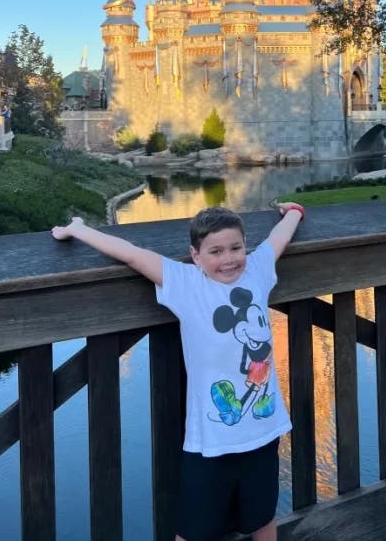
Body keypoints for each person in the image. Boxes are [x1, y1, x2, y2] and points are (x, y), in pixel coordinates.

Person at [52, 201, 306, 541]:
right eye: (215, 251)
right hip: (210, 443)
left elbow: (278, 239)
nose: (228, 259)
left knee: (262, 519)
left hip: (263, 432)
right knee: (192, 530)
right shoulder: (186, 284)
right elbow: (131, 253)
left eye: (235, 248)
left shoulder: (257, 270)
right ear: (196, 256)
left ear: (246, 246)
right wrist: (77, 229)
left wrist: (293, 213)